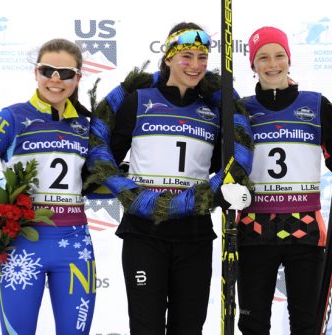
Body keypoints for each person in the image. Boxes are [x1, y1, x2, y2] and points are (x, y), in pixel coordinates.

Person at [101, 22, 249, 335]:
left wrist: (231, 189)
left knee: (188, 328)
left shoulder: (213, 108)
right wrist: (130, 189)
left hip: (193, 233)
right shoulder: (138, 100)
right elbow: (107, 159)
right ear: (167, 57)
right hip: (145, 233)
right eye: (186, 56)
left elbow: (225, 166)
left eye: (202, 57)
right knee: (147, 328)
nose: (195, 65)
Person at [235, 26, 332, 335]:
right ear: (252, 64)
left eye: (279, 56)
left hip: (306, 232)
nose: (272, 64)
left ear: (289, 59)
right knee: (252, 324)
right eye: (263, 57)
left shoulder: (315, 105)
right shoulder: (242, 110)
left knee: (306, 324)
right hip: (254, 231)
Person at [0, 38, 96, 334]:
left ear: (78, 78)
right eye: (48, 70)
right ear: (36, 72)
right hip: (22, 246)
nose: (55, 80)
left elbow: (95, 184)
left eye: (66, 73)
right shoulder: (13, 117)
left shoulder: (87, 127)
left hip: (74, 246)